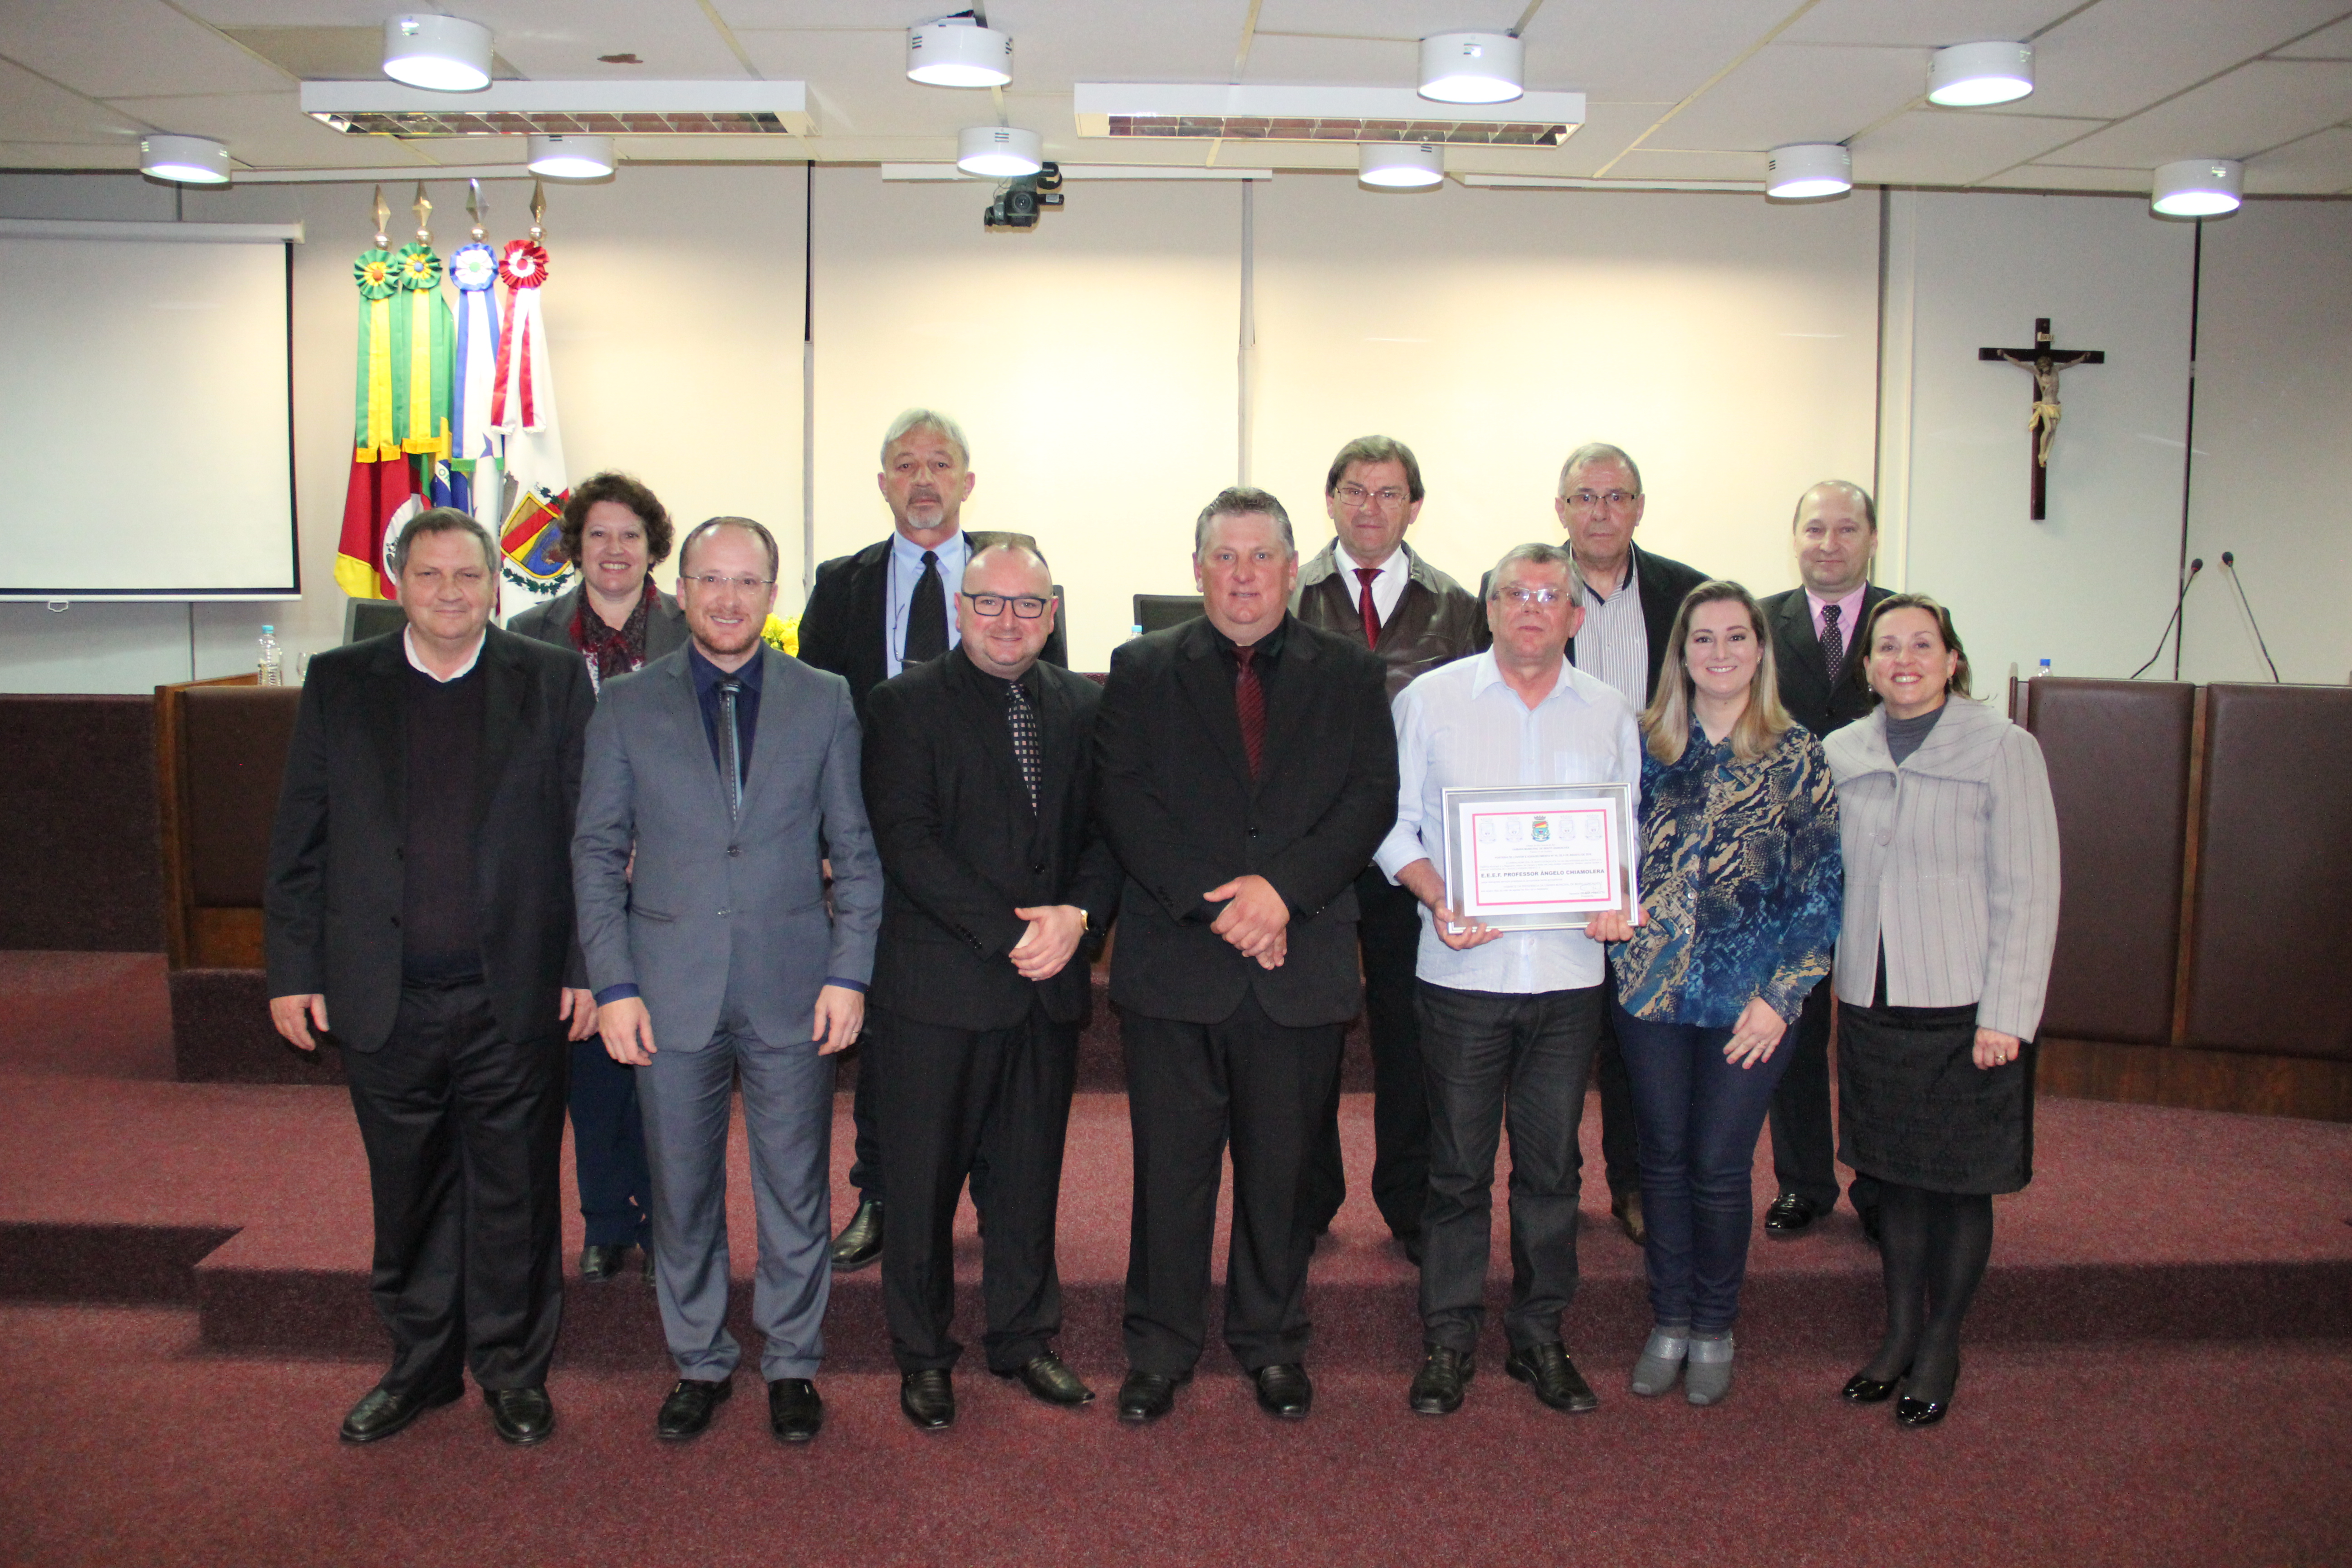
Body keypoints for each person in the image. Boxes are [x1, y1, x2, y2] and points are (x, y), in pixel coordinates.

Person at [264, 507, 598, 1448]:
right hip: (385, 993)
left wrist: (583, 964)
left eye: (467, 578)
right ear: (397, 584)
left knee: (516, 1194)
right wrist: (292, 969)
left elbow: (590, 835)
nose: (449, 594)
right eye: (429, 576)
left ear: (496, 587)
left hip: (516, 991)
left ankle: (512, 1371)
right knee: (405, 1191)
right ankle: (418, 1369)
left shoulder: (551, 678)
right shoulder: (338, 683)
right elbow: (302, 836)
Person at [573, 515, 883, 1446]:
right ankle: (700, 1360)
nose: (728, 598)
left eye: (748, 582)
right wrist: (614, 984)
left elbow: (856, 853)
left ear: (774, 594)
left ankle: (792, 1362)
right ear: (681, 589)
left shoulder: (824, 697)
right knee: (682, 1190)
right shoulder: (626, 704)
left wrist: (850, 971)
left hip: (795, 983)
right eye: (711, 579)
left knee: (795, 1188)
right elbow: (595, 854)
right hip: (666, 991)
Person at [1094, 486, 1396, 1425]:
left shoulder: (1349, 673)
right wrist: (1220, 905)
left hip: (1296, 963)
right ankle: (1161, 1345)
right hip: (1178, 963)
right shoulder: (1141, 669)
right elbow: (1124, 801)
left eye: (1261, 557)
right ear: (1197, 571)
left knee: (1282, 1173)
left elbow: (1368, 800)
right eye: (1224, 558)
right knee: (1170, 1173)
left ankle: (1271, 1342)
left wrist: (1282, 894)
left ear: (1291, 569)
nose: (1242, 576)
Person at [797, 409, 1068, 1275]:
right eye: (905, 465)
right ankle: (882, 1191)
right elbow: (817, 719)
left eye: (940, 464)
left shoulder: (1014, 579)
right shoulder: (840, 584)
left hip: (992, 859)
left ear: (968, 482)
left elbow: (1048, 715)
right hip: (875, 849)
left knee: (1002, 1059)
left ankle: (999, 1201)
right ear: (882, 482)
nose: (923, 479)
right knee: (892, 1039)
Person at [1376, 542, 1642, 1420]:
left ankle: (1540, 1339)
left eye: (1550, 595)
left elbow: (1626, 832)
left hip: (1568, 976)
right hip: (1461, 970)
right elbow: (1393, 826)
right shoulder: (1432, 700)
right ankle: (1448, 1343)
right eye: (1514, 595)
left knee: (1552, 1169)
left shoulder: (1607, 712)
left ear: (1576, 616)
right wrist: (1437, 893)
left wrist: (1617, 899)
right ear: (1488, 610)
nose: (1533, 608)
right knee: (1454, 1171)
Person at [860, 539, 1122, 1430]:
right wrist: (1019, 934)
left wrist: (1079, 919)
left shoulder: (1087, 705)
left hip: (1045, 990)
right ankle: (924, 1354)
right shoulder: (903, 706)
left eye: (1028, 606)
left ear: (1052, 616)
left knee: (1026, 1181)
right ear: (961, 610)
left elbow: (1106, 837)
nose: (1008, 622)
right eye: (990, 604)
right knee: (921, 1185)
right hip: (938, 991)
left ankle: (1022, 1339)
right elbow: (910, 842)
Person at [1587, 581, 1841, 1407]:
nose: (1721, 653)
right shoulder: (1643, 745)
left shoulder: (1798, 752)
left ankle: (1714, 1324)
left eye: (1737, 638)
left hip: (1751, 1005)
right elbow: (1607, 853)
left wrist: (1784, 996)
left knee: (1720, 1165)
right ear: (1682, 653)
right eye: (1704, 639)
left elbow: (1822, 892)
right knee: (1660, 1163)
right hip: (1651, 993)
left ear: (1761, 650)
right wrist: (1604, 899)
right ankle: (1668, 1320)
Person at [1825, 594, 2059, 1428]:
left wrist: (2010, 1014)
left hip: (1969, 1009)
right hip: (1873, 1002)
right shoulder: (1840, 751)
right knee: (1893, 1180)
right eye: (1888, 646)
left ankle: (1943, 1343)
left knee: (1958, 1188)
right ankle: (1896, 1338)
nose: (1905, 659)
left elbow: (2029, 891)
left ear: (1952, 658)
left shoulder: (2004, 750)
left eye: (1923, 644)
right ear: (1868, 664)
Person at [1289, 435, 1485, 1259]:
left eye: (1389, 493)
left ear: (1415, 505)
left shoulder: (1458, 607)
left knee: (1414, 1036)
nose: (1371, 507)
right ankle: (1304, 1199)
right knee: (1307, 1032)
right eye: (1355, 491)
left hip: (1417, 855)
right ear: (1330, 500)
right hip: (1315, 853)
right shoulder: (1286, 595)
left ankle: (1411, 1201)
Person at [509, 471, 688, 1285]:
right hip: (567, 871)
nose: (614, 550)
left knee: (667, 1057)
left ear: (654, 548)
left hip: (670, 873)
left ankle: (665, 1220)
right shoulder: (527, 634)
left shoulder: (697, 630)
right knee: (590, 1055)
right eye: (597, 536)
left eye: (630, 535)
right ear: (573, 547)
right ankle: (605, 1218)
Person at [1553, 443, 1709, 1244]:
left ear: (1640, 507)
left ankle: (1636, 1184)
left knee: (1638, 1020)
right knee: (1559, 1017)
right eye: (1585, 497)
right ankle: (1555, 1187)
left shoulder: (1687, 593)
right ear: (1561, 510)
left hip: (1660, 840)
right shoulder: (1526, 588)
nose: (1601, 511)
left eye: (1617, 497)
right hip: (1554, 838)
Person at [1759, 481, 1892, 1243]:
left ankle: (1879, 1182)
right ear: (1796, 537)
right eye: (1815, 529)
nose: (1830, 543)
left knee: (1875, 1028)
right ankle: (1803, 1182)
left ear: (1872, 537)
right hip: (1791, 863)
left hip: (1885, 860)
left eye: (1847, 529)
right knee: (1797, 1025)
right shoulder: (1761, 623)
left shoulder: (1909, 621)